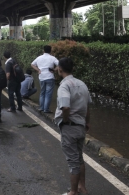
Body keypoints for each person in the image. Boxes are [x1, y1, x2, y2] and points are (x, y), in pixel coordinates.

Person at [54, 57, 91, 195]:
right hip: (81, 126)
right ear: (73, 69)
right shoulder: (82, 84)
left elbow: (65, 107)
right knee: (79, 158)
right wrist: (87, 122)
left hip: (70, 126)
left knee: (73, 161)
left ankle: (73, 192)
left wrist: (64, 121)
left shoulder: (64, 85)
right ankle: (83, 187)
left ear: (60, 69)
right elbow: (88, 106)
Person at [31, 45, 59, 113]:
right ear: (50, 51)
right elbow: (60, 64)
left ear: (43, 50)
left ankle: (41, 107)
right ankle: (46, 109)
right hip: (50, 77)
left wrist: (38, 70)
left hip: (41, 77)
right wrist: (55, 70)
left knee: (42, 92)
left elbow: (32, 64)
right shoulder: (52, 58)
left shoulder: (39, 58)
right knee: (48, 94)